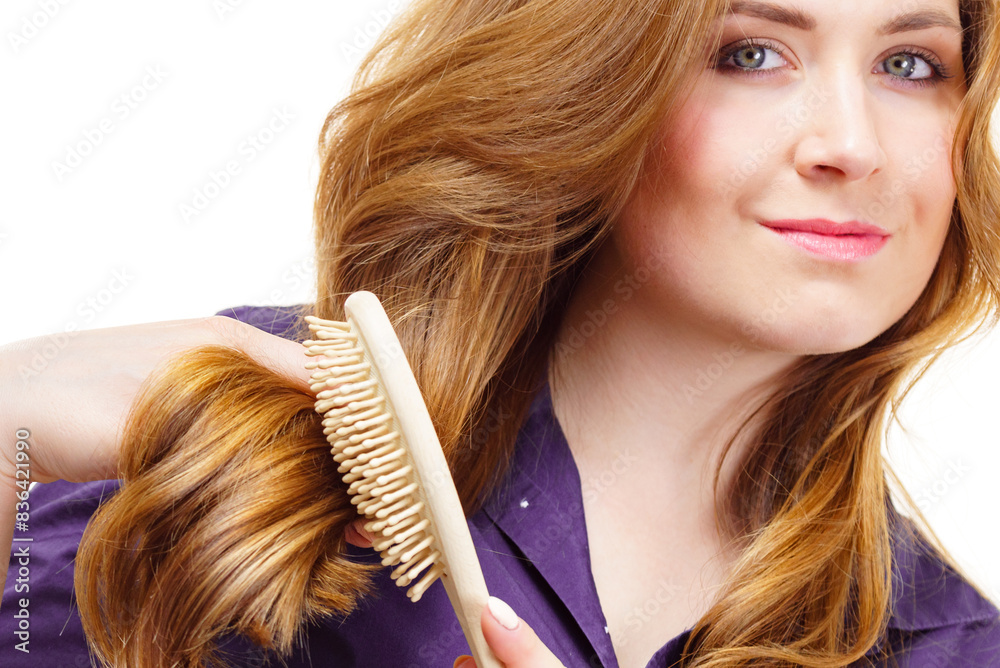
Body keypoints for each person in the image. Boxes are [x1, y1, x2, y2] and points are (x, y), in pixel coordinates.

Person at [3, 0, 1000, 666]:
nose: (850, 144)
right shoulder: (246, 437)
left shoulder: (952, 644)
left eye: (910, 64)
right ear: (587, 77)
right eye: (748, 53)